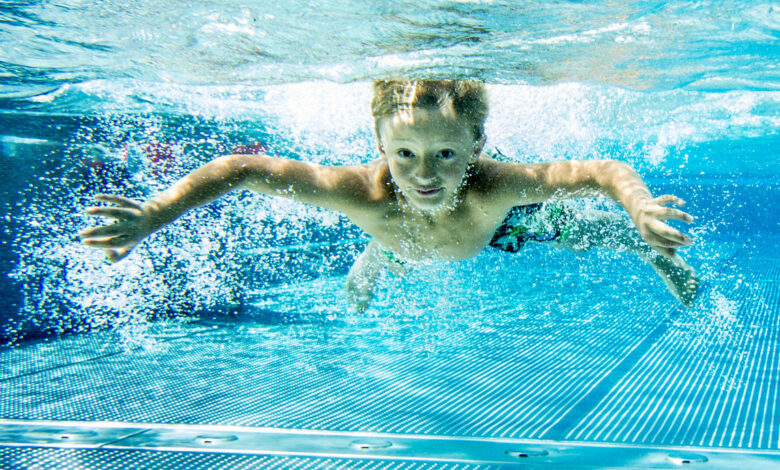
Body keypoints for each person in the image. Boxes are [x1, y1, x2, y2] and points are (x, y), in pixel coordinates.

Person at [79, 79, 700, 311]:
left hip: (495, 223)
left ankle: (655, 253)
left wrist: (640, 208)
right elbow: (240, 169)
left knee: (596, 232)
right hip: (399, 235)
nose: (425, 173)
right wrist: (155, 212)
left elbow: (599, 171)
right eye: (404, 154)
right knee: (374, 269)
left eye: (446, 154)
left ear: (478, 145)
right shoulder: (361, 194)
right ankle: (370, 262)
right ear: (378, 145)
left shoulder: (496, 185)